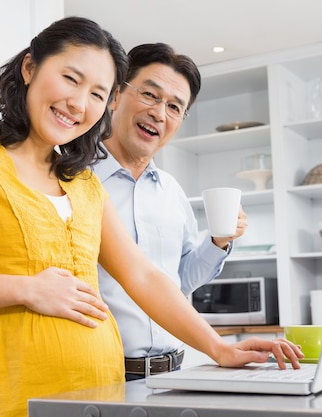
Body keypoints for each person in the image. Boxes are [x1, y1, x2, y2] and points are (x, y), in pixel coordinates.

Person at [0, 16, 303, 417]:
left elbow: (145, 277)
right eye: (70, 78)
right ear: (29, 67)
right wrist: (28, 289)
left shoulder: (83, 183)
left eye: (98, 94)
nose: (79, 104)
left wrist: (218, 347)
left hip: (96, 396)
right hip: (2, 398)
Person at [92, 43, 248, 380]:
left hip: (172, 373)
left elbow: (180, 282)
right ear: (115, 95)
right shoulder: (75, 180)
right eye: (150, 95)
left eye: (175, 107)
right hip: (100, 374)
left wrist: (219, 242)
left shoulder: (171, 192)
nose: (160, 114)